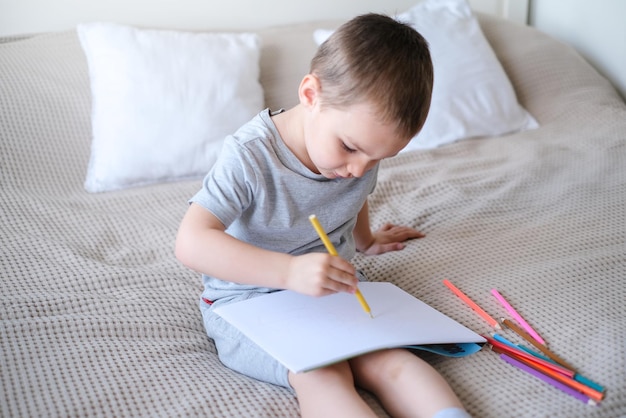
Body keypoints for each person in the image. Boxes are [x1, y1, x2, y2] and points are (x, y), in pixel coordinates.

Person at [176, 13, 470, 418]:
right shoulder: (248, 157)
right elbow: (191, 242)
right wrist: (288, 274)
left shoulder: (360, 154)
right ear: (311, 95)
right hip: (247, 299)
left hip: (333, 291)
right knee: (323, 372)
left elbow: (353, 196)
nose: (359, 170)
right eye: (350, 148)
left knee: (391, 360)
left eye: (378, 158)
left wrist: (365, 241)